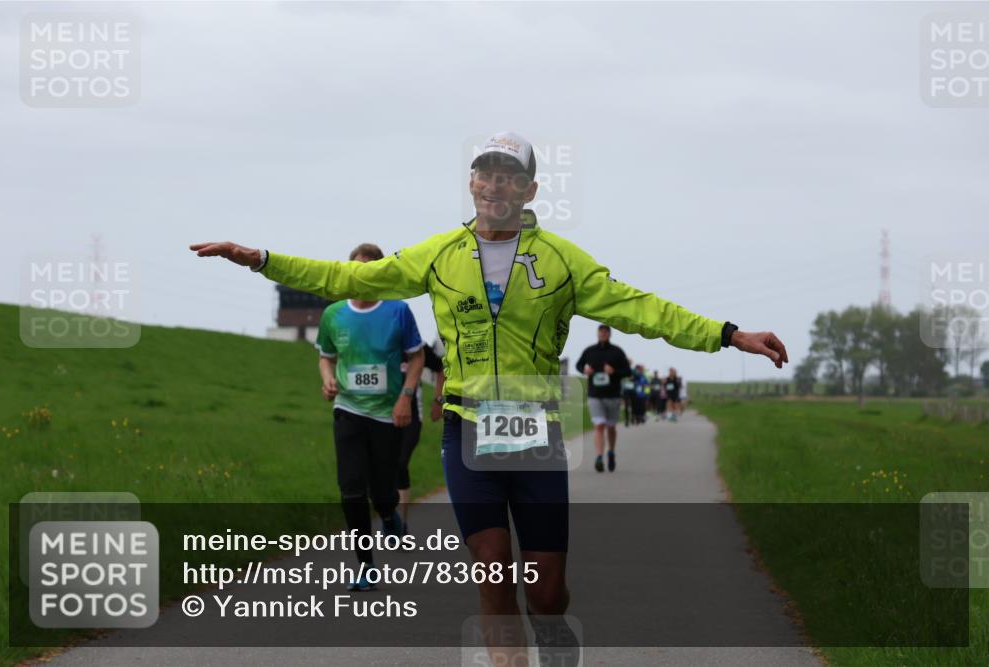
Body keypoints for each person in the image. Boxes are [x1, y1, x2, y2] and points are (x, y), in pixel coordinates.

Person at [191, 131, 788, 663]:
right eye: (486, 173)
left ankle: (553, 635)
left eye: (509, 175)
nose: (495, 184)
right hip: (468, 431)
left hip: (536, 436)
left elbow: (641, 308)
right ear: (472, 183)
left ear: (529, 190)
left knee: (545, 592)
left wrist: (728, 334)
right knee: (493, 575)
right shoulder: (439, 255)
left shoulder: (562, 261)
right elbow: (351, 278)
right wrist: (262, 260)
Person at [314, 243, 425, 591]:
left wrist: (406, 397)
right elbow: (326, 357)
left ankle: (390, 515)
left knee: (382, 493)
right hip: (348, 409)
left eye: (369, 270)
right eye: (356, 270)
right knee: (350, 489)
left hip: (387, 415)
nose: (361, 276)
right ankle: (366, 566)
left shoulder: (398, 311)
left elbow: (417, 357)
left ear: (380, 274)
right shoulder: (334, 314)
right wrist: (327, 379)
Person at [397, 340, 445, 535]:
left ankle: (400, 525)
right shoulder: (379, 341)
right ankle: (389, 517)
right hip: (381, 417)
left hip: (411, 418)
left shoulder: (416, 345)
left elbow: (441, 368)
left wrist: (438, 400)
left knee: (400, 464)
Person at [575, 324, 631, 473]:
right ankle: (599, 457)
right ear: (598, 334)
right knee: (599, 425)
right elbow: (578, 365)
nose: (603, 334)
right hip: (595, 394)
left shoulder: (617, 351)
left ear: (609, 334)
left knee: (610, 427)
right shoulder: (590, 351)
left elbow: (627, 371)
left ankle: (611, 452)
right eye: (601, 332)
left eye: (606, 332)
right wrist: (585, 370)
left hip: (613, 395)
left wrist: (614, 371)